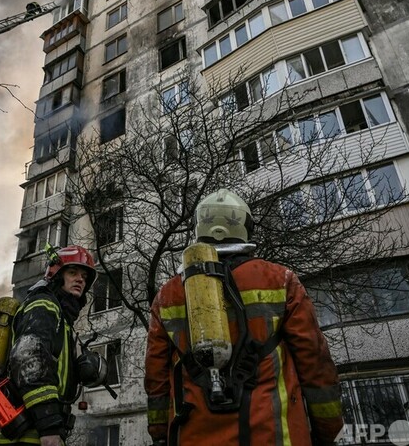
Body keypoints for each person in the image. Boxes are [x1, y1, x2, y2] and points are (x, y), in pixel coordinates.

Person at [144, 189, 344, 446]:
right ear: (246, 228)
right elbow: (314, 361)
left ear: (198, 229)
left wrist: (159, 433)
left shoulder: (167, 295)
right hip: (273, 436)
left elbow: (156, 378)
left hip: (194, 435)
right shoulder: (280, 281)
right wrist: (327, 430)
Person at [0, 245, 100, 446]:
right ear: (57, 275)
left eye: (84, 277)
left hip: (41, 431)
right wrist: (49, 426)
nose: (80, 279)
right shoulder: (43, 304)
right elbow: (29, 360)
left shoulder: (63, 320)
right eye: (73, 272)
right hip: (30, 433)